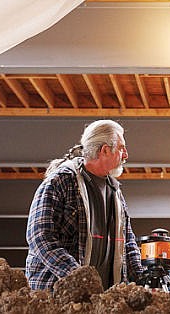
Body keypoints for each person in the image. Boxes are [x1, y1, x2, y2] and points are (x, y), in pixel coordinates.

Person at [25, 119, 144, 290]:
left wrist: (141, 280)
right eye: (121, 148)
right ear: (105, 150)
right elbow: (40, 236)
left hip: (101, 299)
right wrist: (79, 278)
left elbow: (128, 244)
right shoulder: (62, 181)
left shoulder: (116, 193)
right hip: (55, 294)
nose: (125, 155)